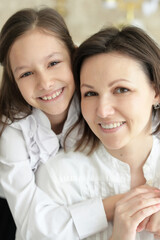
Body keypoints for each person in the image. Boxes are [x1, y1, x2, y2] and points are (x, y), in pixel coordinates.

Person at [36, 25, 160, 240]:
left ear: (156, 92)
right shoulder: (57, 178)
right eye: (91, 93)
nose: (102, 111)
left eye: (121, 89)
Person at [0, 7, 111, 240]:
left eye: (53, 63)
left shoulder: (103, 108)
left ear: (74, 55)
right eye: (26, 74)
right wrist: (113, 206)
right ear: (14, 81)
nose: (45, 82)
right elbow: (33, 228)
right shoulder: (14, 135)